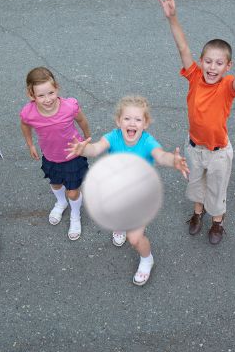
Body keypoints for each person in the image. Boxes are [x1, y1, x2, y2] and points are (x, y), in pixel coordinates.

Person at [158, 0, 235, 245]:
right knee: (195, 186)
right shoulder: (194, 76)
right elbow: (182, 47)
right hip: (194, 148)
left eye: (219, 63)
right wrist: (173, 18)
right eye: (209, 62)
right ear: (201, 62)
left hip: (218, 152)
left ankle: (217, 222)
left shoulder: (227, 86)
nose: (212, 68)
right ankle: (197, 214)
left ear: (228, 66)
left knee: (217, 190)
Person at [66, 96, 189, 286]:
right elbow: (95, 149)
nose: (132, 123)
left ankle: (147, 259)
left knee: (134, 238)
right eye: (127, 118)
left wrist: (173, 160)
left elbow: (161, 156)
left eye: (138, 119)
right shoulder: (113, 137)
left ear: (145, 123)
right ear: (118, 121)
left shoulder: (148, 142)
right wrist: (83, 150)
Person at [19, 67, 91, 240]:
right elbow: (24, 125)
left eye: (50, 93)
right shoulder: (29, 113)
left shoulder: (69, 106)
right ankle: (60, 202)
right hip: (50, 156)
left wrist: (87, 139)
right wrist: (30, 144)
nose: (47, 99)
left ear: (57, 88)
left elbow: (81, 120)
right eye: (41, 95)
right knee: (56, 184)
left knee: (73, 191)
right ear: (31, 95)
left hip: (73, 156)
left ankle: (75, 215)